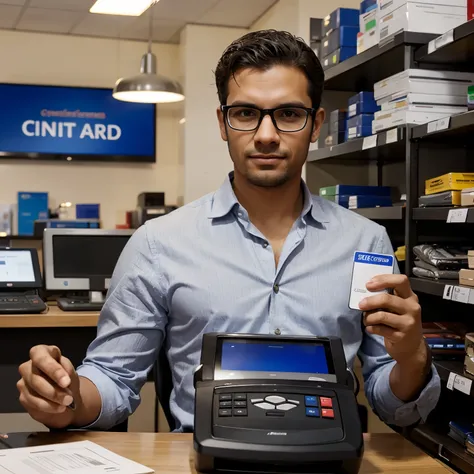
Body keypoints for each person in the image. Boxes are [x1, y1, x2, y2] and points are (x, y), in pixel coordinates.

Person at [17, 30, 440, 433]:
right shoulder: (157, 243)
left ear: (317, 124)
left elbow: (393, 403)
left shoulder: (366, 242)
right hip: (203, 460)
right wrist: (66, 397)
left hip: (328, 459)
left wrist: (411, 359)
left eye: (289, 114)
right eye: (246, 114)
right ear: (223, 123)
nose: (267, 135)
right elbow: (113, 376)